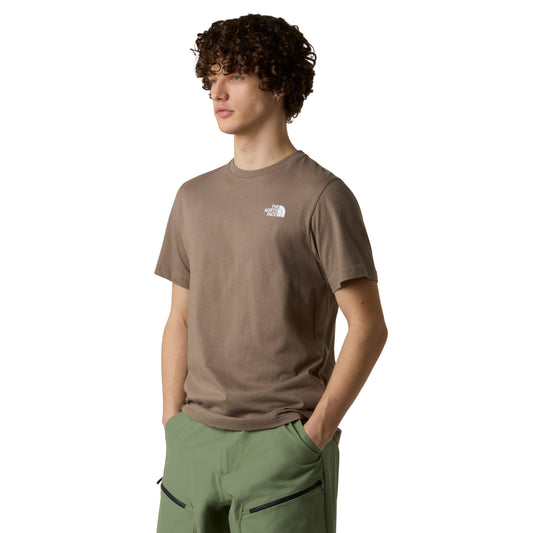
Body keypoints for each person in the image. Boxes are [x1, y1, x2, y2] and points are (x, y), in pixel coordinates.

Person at [153, 13, 388, 533]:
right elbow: (180, 319)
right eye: (211, 77)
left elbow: (369, 325)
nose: (216, 92)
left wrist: (314, 435)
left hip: (284, 445)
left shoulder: (322, 196)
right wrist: (172, 422)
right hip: (193, 443)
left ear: (278, 83)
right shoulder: (192, 197)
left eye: (235, 75)